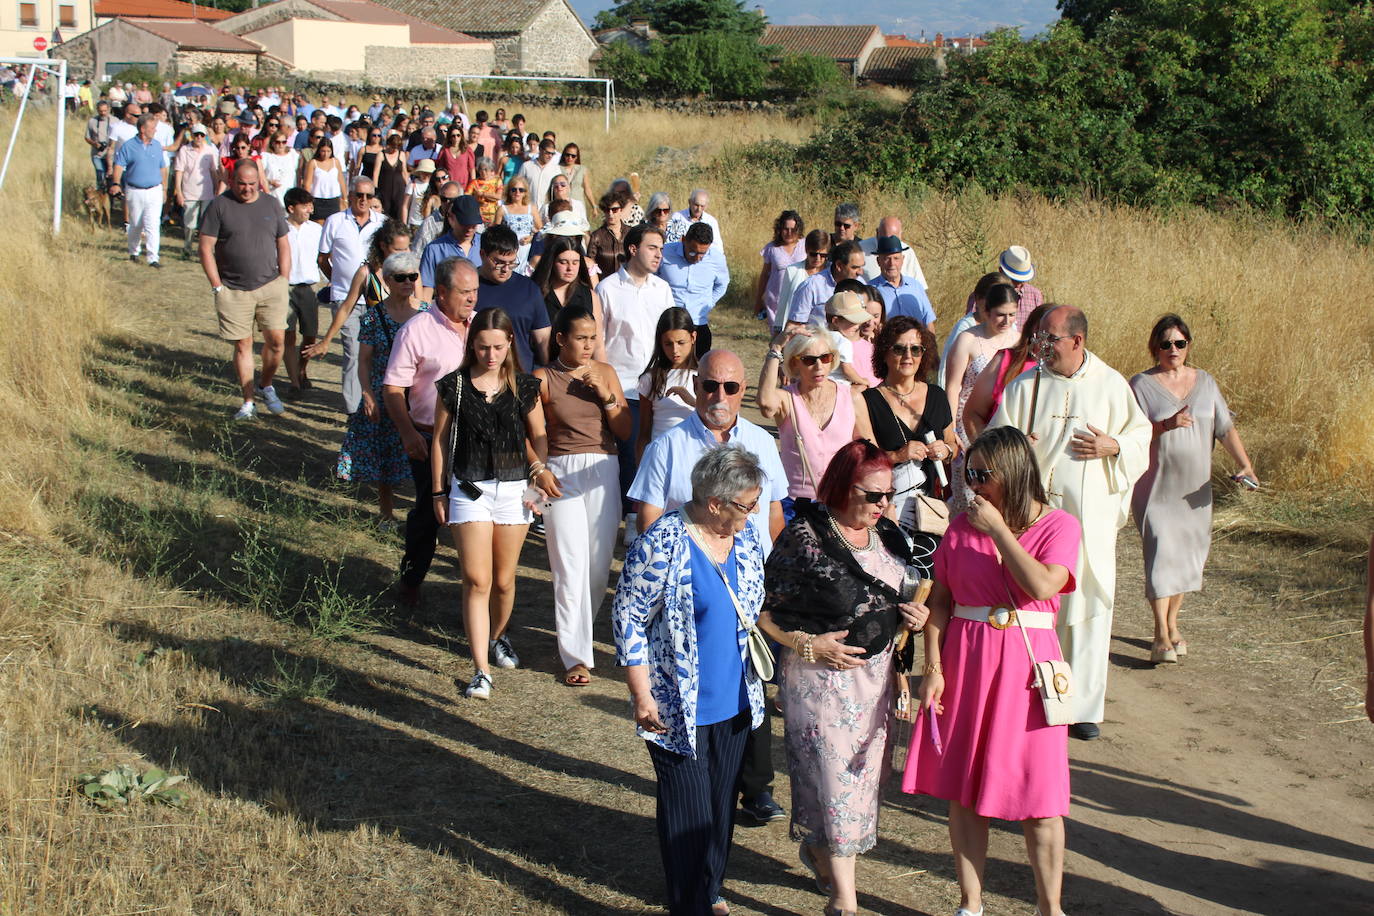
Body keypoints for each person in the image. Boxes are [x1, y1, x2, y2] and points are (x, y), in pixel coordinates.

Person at [904, 426, 1082, 916]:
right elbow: (940, 603)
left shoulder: (1060, 525)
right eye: (968, 474)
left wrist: (1000, 530)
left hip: (1026, 669)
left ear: (1015, 472)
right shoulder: (960, 527)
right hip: (967, 663)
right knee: (963, 789)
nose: (973, 485)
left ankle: (1051, 907)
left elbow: (1044, 586)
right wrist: (933, 668)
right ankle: (971, 902)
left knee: (1041, 796)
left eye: (983, 475)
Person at [760, 440, 926, 916]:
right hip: (818, 682)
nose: (883, 505)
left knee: (857, 781)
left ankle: (817, 850)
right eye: (872, 495)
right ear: (841, 486)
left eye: (888, 495)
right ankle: (844, 901)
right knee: (836, 782)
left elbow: (903, 597)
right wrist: (811, 645)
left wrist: (911, 619)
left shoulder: (890, 535)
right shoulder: (804, 538)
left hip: (873, 683)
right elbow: (765, 614)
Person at [630, 350, 789, 829]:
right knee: (700, 682)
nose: (719, 396)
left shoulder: (763, 442)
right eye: (710, 386)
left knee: (752, 677)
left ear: (744, 391)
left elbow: (775, 516)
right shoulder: (668, 446)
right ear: (696, 385)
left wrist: (773, 578)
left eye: (731, 387)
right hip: (689, 588)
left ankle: (755, 786)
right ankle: (699, 783)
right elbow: (649, 519)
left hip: (749, 579)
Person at [612, 445, 769, 916]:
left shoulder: (746, 538)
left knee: (721, 808)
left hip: (738, 699)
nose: (754, 513)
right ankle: (689, 902)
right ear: (715, 503)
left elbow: (758, 608)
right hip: (676, 707)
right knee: (689, 813)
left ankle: (711, 889)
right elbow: (628, 618)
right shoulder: (663, 541)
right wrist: (641, 694)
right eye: (746, 505)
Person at [989, 305, 1152, 740]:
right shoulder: (1025, 385)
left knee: (1084, 610)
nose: (1041, 348)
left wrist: (1113, 445)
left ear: (1077, 341)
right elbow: (992, 441)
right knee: (1034, 604)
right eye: (1038, 339)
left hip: (1086, 520)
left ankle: (1081, 708)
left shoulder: (1111, 384)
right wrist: (1014, 445)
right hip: (1032, 518)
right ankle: (1031, 699)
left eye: (1051, 340)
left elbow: (1142, 435)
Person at [431, 308, 556, 699]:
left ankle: (497, 637)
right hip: (469, 488)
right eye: (483, 347)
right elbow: (439, 440)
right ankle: (480, 670)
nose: (490, 355)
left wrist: (538, 487)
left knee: (503, 580)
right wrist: (438, 491)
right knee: (477, 580)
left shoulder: (524, 386)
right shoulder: (453, 386)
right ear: (472, 346)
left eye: (498, 347)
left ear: (509, 345)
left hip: (516, 489)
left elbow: (540, 437)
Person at [1130, 314, 1257, 664]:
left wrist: (1244, 464)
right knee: (1160, 555)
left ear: (1188, 345)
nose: (1173, 350)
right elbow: (1131, 434)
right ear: (1155, 347)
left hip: (1194, 490)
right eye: (1165, 344)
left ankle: (1172, 624)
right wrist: (1166, 425)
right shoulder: (1140, 385)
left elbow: (1225, 428)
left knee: (1186, 558)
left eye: (1179, 343)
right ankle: (1158, 635)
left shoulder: (1205, 382)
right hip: (1156, 487)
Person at [535, 305, 630, 686]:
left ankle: (580, 636)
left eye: (593, 338)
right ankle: (575, 657)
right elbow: (532, 433)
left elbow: (624, 430)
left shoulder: (605, 372)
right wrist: (537, 473)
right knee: (568, 566)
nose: (589, 345)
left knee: (596, 567)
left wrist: (606, 395)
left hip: (604, 471)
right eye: (581, 338)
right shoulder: (541, 378)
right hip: (560, 473)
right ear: (561, 339)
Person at [384, 257, 476, 607]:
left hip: (476, 439)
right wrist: (407, 433)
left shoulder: (481, 326)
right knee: (427, 513)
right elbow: (393, 388)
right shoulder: (416, 330)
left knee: (476, 512)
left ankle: (477, 591)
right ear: (441, 292)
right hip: (429, 436)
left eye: (475, 291)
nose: (471, 299)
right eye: (464, 292)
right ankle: (411, 581)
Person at [855, 317, 958, 577]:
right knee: (891, 575)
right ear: (885, 353)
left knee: (929, 580)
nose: (908, 356)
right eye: (899, 348)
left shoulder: (936, 395)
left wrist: (944, 451)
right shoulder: (868, 400)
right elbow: (865, 459)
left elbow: (953, 444)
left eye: (916, 349)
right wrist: (898, 455)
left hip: (932, 510)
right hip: (886, 508)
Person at [333, 249, 427, 528]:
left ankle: (424, 516)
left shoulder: (425, 314)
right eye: (401, 277)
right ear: (387, 280)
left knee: (425, 460)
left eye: (413, 276)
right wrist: (366, 392)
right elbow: (364, 361)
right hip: (384, 395)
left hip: (418, 396)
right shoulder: (373, 317)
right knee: (384, 457)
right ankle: (386, 515)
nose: (408, 282)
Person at [198, 159, 291, 420]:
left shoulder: (271, 203)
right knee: (243, 345)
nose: (247, 189)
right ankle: (248, 400)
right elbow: (205, 247)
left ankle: (266, 384)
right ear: (231, 180)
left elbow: (283, 242)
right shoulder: (219, 206)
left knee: (277, 341)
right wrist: (217, 287)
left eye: (252, 184)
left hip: (271, 286)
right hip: (233, 289)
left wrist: (284, 277)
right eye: (242, 184)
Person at [598, 224, 674, 522]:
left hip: (657, 386)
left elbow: (671, 334)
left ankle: (643, 513)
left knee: (652, 453)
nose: (659, 255)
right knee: (627, 454)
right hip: (622, 387)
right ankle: (627, 516)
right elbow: (600, 342)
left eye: (661, 249)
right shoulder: (607, 288)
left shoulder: (662, 289)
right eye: (652, 247)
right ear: (633, 249)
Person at [757, 324, 873, 519]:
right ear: (795, 364)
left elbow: (871, 451)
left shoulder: (851, 397)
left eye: (825, 358)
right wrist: (776, 349)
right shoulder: (787, 399)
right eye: (809, 360)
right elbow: (765, 403)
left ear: (833, 359)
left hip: (840, 503)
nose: (819, 366)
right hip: (793, 506)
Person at [946, 283, 1022, 511]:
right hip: (969, 425)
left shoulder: (1019, 341)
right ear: (986, 311)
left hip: (1004, 424)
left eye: (1012, 315)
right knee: (972, 494)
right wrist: (951, 430)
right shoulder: (967, 339)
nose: (1006, 321)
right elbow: (952, 388)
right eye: (1000, 314)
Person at [318, 180, 387, 415]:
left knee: (378, 354)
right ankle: (354, 411)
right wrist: (338, 281)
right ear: (350, 195)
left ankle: (376, 402)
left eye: (368, 196)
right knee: (353, 353)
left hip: (376, 300)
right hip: (344, 299)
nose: (364, 200)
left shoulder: (382, 223)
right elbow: (323, 258)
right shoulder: (335, 221)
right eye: (359, 195)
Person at [962, 304, 1053, 443]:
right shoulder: (1005, 361)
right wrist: (990, 453)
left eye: (1054, 335)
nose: (1046, 339)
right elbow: (972, 414)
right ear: (1032, 329)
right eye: (1043, 330)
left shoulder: (1073, 374)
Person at [474, 224, 550, 371]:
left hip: (520, 376)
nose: (505, 269)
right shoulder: (469, 288)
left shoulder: (529, 290)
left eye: (512, 263)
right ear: (483, 254)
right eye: (499, 262)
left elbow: (543, 339)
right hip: (478, 377)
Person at [635, 307, 698, 461]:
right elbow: (644, 432)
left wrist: (692, 401)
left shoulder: (706, 375)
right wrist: (640, 469)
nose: (675, 350)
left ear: (693, 337)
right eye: (668, 344)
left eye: (681, 342)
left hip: (696, 457)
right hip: (660, 458)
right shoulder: (650, 379)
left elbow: (719, 420)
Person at [657, 222, 730, 354]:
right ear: (684, 240)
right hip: (668, 322)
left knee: (698, 369)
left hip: (698, 323)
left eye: (702, 254)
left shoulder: (716, 258)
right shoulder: (664, 252)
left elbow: (722, 284)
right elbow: (651, 280)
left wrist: (709, 303)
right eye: (692, 251)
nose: (696, 258)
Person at [109, 114, 166, 269]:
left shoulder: (157, 145)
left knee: (152, 224)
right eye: (152, 128)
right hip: (135, 190)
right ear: (143, 129)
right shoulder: (128, 146)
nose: (155, 131)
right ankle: (134, 251)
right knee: (136, 223)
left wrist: (165, 188)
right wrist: (115, 183)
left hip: (154, 189)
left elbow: (163, 168)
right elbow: (119, 165)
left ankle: (153, 257)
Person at [281, 188, 323, 395]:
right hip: (285, 287)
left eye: (310, 205)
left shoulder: (316, 230)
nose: (310, 209)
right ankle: (294, 382)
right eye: (305, 205)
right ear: (291, 208)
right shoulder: (279, 228)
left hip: (309, 288)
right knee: (288, 335)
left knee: (310, 335)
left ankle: (302, 369)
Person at [785, 240, 866, 330]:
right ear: (839, 265)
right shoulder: (811, 287)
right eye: (855, 267)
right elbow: (794, 326)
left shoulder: (861, 284)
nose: (860, 272)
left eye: (862, 266)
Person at [532, 234, 601, 338]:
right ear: (552, 262)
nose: (570, 268)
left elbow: (598, 343)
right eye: (563, 262)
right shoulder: (535, 294)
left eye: (575, 263)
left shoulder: (589, 296)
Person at [420, 194, 484, 298]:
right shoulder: (434, 249)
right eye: (464, 223)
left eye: (473, 224)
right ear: (451, 218)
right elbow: (426, 290)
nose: (469, 228)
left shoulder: (485, 244)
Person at [870, 235, 936, 329]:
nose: (892, 264)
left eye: (896, 258)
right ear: (878, 261)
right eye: (886, 258)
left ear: (903, 260)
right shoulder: (869, 290)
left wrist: (931, 343)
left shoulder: (916, 286)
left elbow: (928, 323)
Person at [173, 124, 218, 261]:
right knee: (190, 225)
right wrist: (179, 192)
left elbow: (213, 171)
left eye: (201, 135)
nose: (198, 137)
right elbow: (179, 171)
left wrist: (216, 190)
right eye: (196, 135)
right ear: (192, 135)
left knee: (207, 225)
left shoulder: (210, 151)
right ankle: (187, 248)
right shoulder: (184, 150)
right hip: (189, 191)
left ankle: (206, 252)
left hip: (207, 192)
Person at [755, 210, 805, 326]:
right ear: (779, 229)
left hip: (799, 300)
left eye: (793, 230)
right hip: (776, 302)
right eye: (785, 229)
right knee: (778, 339)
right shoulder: (772, 248)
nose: (789, 233)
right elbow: (764, 275)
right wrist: (758, 300)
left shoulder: (805, 245)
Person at [996, 245, 1045, 328]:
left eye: (1022, 280)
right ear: (1001, 271)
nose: (1018, 284)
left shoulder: (1035, 295)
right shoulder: (984, 294)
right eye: (1014, 279)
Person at [497, 177, 539, 271]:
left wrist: (532, 237)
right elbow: (495, 231)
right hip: (509, 248)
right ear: (509, 191)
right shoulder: (502, 209)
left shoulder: (531, 208)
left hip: (527, 249)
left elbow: (541, 230)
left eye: (521, 190)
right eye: (514, 189)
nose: (517, 192)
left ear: (525, 192)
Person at [587, 190, 627, 281]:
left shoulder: (631, 233)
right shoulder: (596, 236)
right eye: (607, 210)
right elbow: (591, 266)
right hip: (605, 285)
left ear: (621, 210)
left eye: (614, 210)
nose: (610, 214)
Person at [303, 139, 345, 222]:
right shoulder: (313, 163)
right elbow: (307, 184)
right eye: (323, 151)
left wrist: (345, 198)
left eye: (328, 151)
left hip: (333, 200)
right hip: (317, 200)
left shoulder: (335, 162)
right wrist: (308, 202)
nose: (325, 154)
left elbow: (341, 181)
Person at [519, 139, 561, 213]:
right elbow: (519, 187)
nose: (550, 156)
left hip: (548, 212)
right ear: (540, 150)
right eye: (547, 153)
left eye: (552, 154)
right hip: (528, 210)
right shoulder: (526, 166)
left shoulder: (556, 169)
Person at [375, 133, 408, 221]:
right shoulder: (381, 155)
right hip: (385, 187)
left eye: (397, 147)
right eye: (393, 147)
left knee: (399, 209)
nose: (395, 150)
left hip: (399, 187)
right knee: (385, 210)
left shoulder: (401, 154)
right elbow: (376, 173)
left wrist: (408, 186)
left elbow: (404, 172)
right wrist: (375, 189)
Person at [260, 131, 300, 204]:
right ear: (272, 143)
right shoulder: (266, 156)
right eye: (278, 142)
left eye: (283, 142)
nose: (281, 145)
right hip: (274, 194)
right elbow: (260, 175)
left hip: (290, 194)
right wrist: (270, 181)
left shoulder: (292, 155)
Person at [85, 100, 113, 189]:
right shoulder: (92, 121)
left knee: (110, 177)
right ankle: (100, 193)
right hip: (97, 154)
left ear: (108, 109)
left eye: (105, 111)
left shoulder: (115, 121)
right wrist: (95, 144)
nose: (103, 113)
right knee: (100, 174)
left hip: (111, 154)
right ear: (97, 110)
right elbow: (87, 137)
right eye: (101, 111)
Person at [467, 157, 503, 225]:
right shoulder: (474, 183)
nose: (483, 172)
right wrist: (476, 198)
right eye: (481, 169)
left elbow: (498, 196)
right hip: (478, 215)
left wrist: (482, 194)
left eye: (486, 169)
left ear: (491, 170)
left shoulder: (497, 181)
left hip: (494, 216)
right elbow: (466, 198)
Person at [558, 142, 594, 208]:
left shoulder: (582, 169)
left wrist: (593, 206)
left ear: (577, 157)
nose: (570, 158)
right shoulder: (557, 168)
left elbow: (587, 188)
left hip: (579, 206)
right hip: (562, 206)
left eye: (573, 156)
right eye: (567, 155)